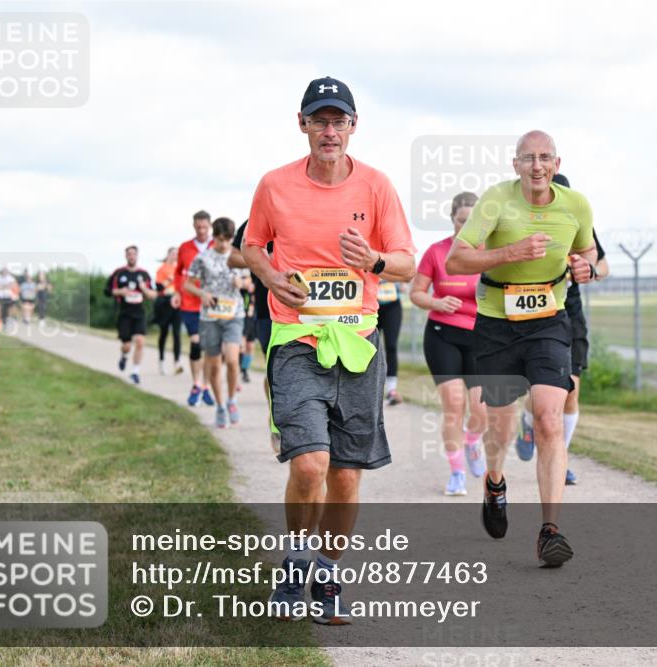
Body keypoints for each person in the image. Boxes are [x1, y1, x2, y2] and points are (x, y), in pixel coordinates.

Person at [244, 76, 415, 624]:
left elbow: (407, 263)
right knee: (311, 462)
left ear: (353, 127)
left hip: (359, 344)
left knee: (345, 475)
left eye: (339, 120)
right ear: (302, 125)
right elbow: (251, 244)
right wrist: (272, 277)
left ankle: (328, 572)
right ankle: (295, 563)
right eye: (319, 120)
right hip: (297, 339)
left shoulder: (376, 187)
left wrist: (374, 262)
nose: (329, 130)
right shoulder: (274, 185)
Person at [445, 130, 595, 568]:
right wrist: (511, 251)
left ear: (557, 163)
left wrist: (589, 268)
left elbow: (594, 256)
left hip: (549, 319)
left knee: (549, 417)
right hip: (496, 322)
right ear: (515, 164)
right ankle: (494, 482)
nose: (537, 165)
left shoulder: (577, 205)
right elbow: (457, 260)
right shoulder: (495, 201)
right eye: (528, 158)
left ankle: (550, 531)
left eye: (545, 157)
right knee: (500, 425)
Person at [515, 174, 609, 486]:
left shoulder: (578, 222)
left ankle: (560, 458)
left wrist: (588, 270)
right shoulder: (520, 222)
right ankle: (529, 422)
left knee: (571, 388)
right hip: (533, 309)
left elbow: (603, 265)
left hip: (569, 310)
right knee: (542, 389)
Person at [410, 192, 488, 496]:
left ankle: (472, 442)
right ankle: (456, 473)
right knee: (454, 405)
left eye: (472, 222)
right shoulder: (436, 252)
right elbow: (416, 293)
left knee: (481, 411)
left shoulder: (491, 253)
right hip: (443, 334)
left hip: (481, 338)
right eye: (460, 221)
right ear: (452, 219)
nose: (465, 227)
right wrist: (438, 302)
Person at [185, 217, 245, 428]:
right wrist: (201, 293)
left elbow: (250, 283)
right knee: (213, 364)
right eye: (220, 239)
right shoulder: (203, 258)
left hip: (234, 315)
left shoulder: (239, 257)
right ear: (214, 237)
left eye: (228, 239)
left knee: (231, 359)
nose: (224, 244)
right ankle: (220, 406)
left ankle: (231, 400)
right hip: (209, 317)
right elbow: (187, 284)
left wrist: (243, 282)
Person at [231, 219, 277, 449]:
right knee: (275, 371)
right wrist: (264, 263)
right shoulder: (255, 221)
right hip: (267, 310)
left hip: (307, 309)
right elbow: (233, 257)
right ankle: (276, 421)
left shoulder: (311, 209)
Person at [174, 210, 215, 406]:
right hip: (190, 303)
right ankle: (196, 383)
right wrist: (176, 292)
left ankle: (206, 385)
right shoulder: (185, 248)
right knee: (196, 343)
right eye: (198, 227)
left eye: (205, 227)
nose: (201, 231)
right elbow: (178, 273)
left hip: (212, 305)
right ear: (193, 226)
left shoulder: (217, 246)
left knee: (210, 347)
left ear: (210, 225)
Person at [104, 246, 157, 384]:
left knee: (140, 341)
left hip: (139, 312)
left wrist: (144, 289)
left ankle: (135, 372)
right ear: (126, 256)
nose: (131, 257)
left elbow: (153, 295)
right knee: (126, 345)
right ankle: (124, 355)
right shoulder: (119, 273)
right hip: (124, 313)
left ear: (137, 256)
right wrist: (120, 292)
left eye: (134, 254)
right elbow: (107, 291)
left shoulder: (144, 274)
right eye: (129, 254)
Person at [154, 247, 183, 375]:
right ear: (168, 255)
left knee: (177, 333)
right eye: (173, 254)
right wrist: (170, 280)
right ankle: (161, 361)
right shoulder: (162, 269)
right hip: (165, 303)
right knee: (164, 332)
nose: (175, 256)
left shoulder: (180, 269)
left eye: (177, 254)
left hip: (177, 303)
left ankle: (177, 363)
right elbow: (158, 287)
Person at [376, 280, 404, 405]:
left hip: (392, 305)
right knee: (370, 346)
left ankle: (392, 390)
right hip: (372, 304)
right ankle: (368, 387)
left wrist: (402, 283)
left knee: (391, 346)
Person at [0, 267, 18, 332]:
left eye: (6, 271)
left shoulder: (11, 278)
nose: (4, 272)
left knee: (6, 312)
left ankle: (4, 324)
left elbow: (13, 285)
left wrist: (2, 286)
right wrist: (5, 286)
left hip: (7, 297)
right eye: (3, 271)